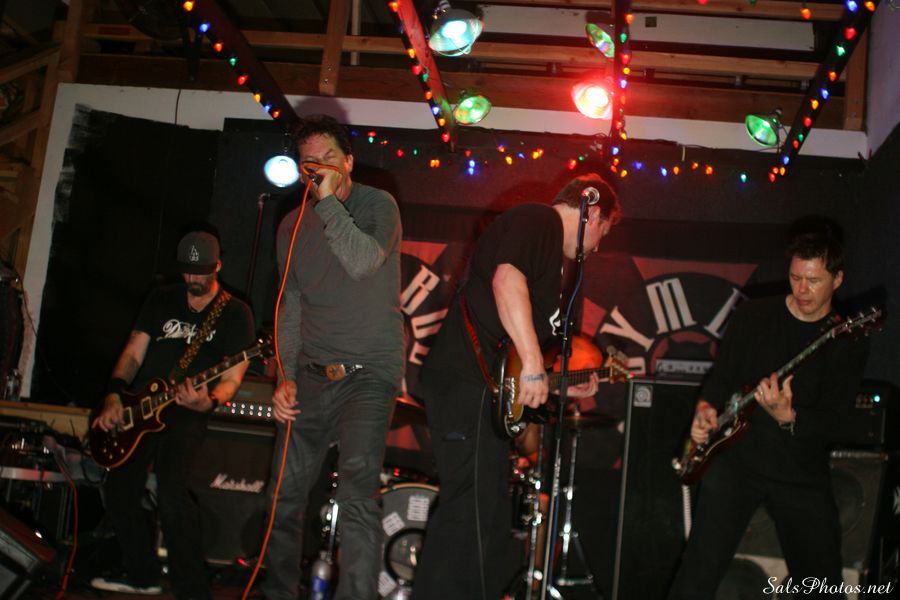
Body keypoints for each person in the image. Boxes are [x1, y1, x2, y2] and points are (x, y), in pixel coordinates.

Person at [412, 174, 621, 600]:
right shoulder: (538, 219)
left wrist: (555, 381)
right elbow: (506, 280)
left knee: (486, 518)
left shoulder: (548, 252)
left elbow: (512, 351)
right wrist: (533, 363)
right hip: (466, 384)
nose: (599, 245)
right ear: (594, 213)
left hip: (482, 391)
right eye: (605, 231)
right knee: (467, 512)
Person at [668, 218, 869, 599]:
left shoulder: (846, 338)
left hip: (799, 469)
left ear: (838, 279)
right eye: (795, 277)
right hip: (737, 461)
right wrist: (706, 408)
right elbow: (722, 376)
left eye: (814, 280)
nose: (802, 289)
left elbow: (839, 420)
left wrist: (789, 417)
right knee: (698, 569)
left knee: (821, 580)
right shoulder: (754, 315)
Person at [262, 115, 404, 600]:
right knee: (282, 496)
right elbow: (291, 306)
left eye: (328, 159)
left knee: (356, 494)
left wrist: (327, 204)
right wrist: (284, 376)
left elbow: (362, 261)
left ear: (348, 162)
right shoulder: (291, 225)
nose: (319, 170)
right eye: (310, 163)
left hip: (368, 374)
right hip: (310, 375)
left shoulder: (377, 205)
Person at [90, 230, 255, 599]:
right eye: (187, 271)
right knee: (118, 490)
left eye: (201, 272)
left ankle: (192, 589)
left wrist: (208, 401)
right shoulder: (162, 298)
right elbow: (134, 351)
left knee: (172, 492)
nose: (193, 279)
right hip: (140, 406)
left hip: (187, 412)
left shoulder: (234, 312)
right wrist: (114, 394)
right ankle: (142, 575)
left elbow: (232, 378)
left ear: (218, 266)